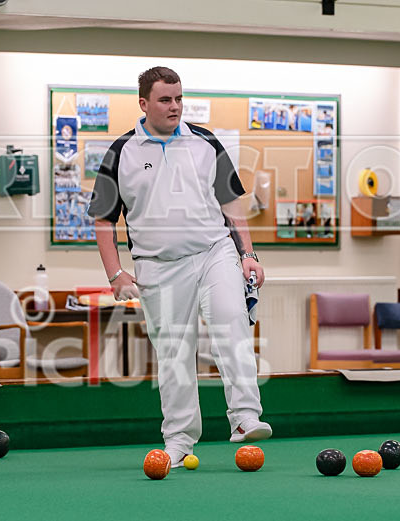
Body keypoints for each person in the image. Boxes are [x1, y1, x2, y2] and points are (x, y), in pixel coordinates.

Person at [87, 66, 271, 467]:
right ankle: (179, 440)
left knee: (231, 318)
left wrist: (248, 255)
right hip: (157, 266)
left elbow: (231, 202)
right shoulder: (122, 152)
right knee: (174, 355)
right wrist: (115, 274)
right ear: (143, 104)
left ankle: (245, 418)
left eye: (179, 98)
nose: (175, 107)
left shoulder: (205, 142)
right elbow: (103, 218)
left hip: (213, 252)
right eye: (165, 100)